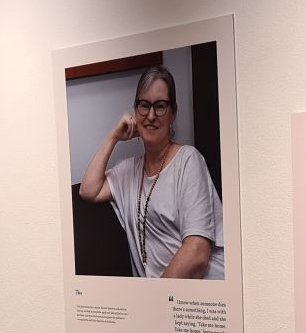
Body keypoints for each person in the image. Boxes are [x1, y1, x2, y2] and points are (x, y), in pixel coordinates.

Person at [78, 65, 224, 279]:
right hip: (158, 300)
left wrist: (154, 301)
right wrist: (113, 137)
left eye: (161, 106)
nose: (151, 115)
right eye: (144, 106)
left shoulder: (188, 160)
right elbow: (88, 190)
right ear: (135, 112)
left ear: (173, 113)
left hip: (197, 299)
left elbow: (197, 252)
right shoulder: (128, 170)